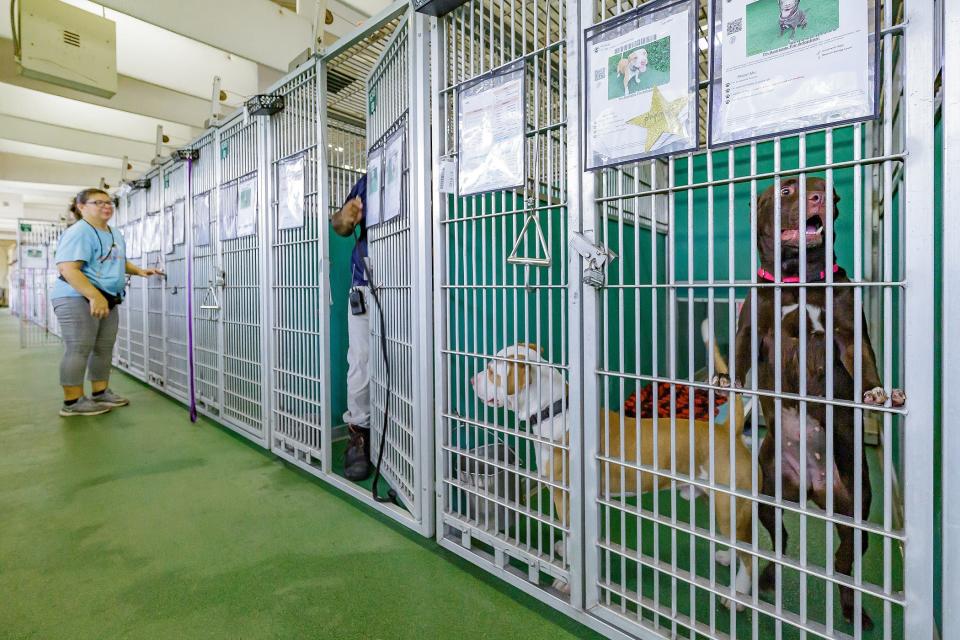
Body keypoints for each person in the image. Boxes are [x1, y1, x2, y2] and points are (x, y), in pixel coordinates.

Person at [52, 188, 163, 417]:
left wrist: (140, 270)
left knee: (103, 348)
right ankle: (72, 402)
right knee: (79, 347)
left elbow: (116, 260)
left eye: (109, 202)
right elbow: (68, 269)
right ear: (81, 207)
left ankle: (100, 393)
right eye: (98, 202)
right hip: (76, 296)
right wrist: (94, 296)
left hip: (106, 298)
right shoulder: (80, 232)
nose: (106, 206)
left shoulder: (113, 232)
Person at [331, 175, 372, 481]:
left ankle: (407, 433)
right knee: (360, 362)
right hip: (365, 286)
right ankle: (358, 434)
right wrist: (345, 217)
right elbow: (340, 225)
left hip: (412, 282)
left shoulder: (429, 167)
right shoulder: (367, 181)